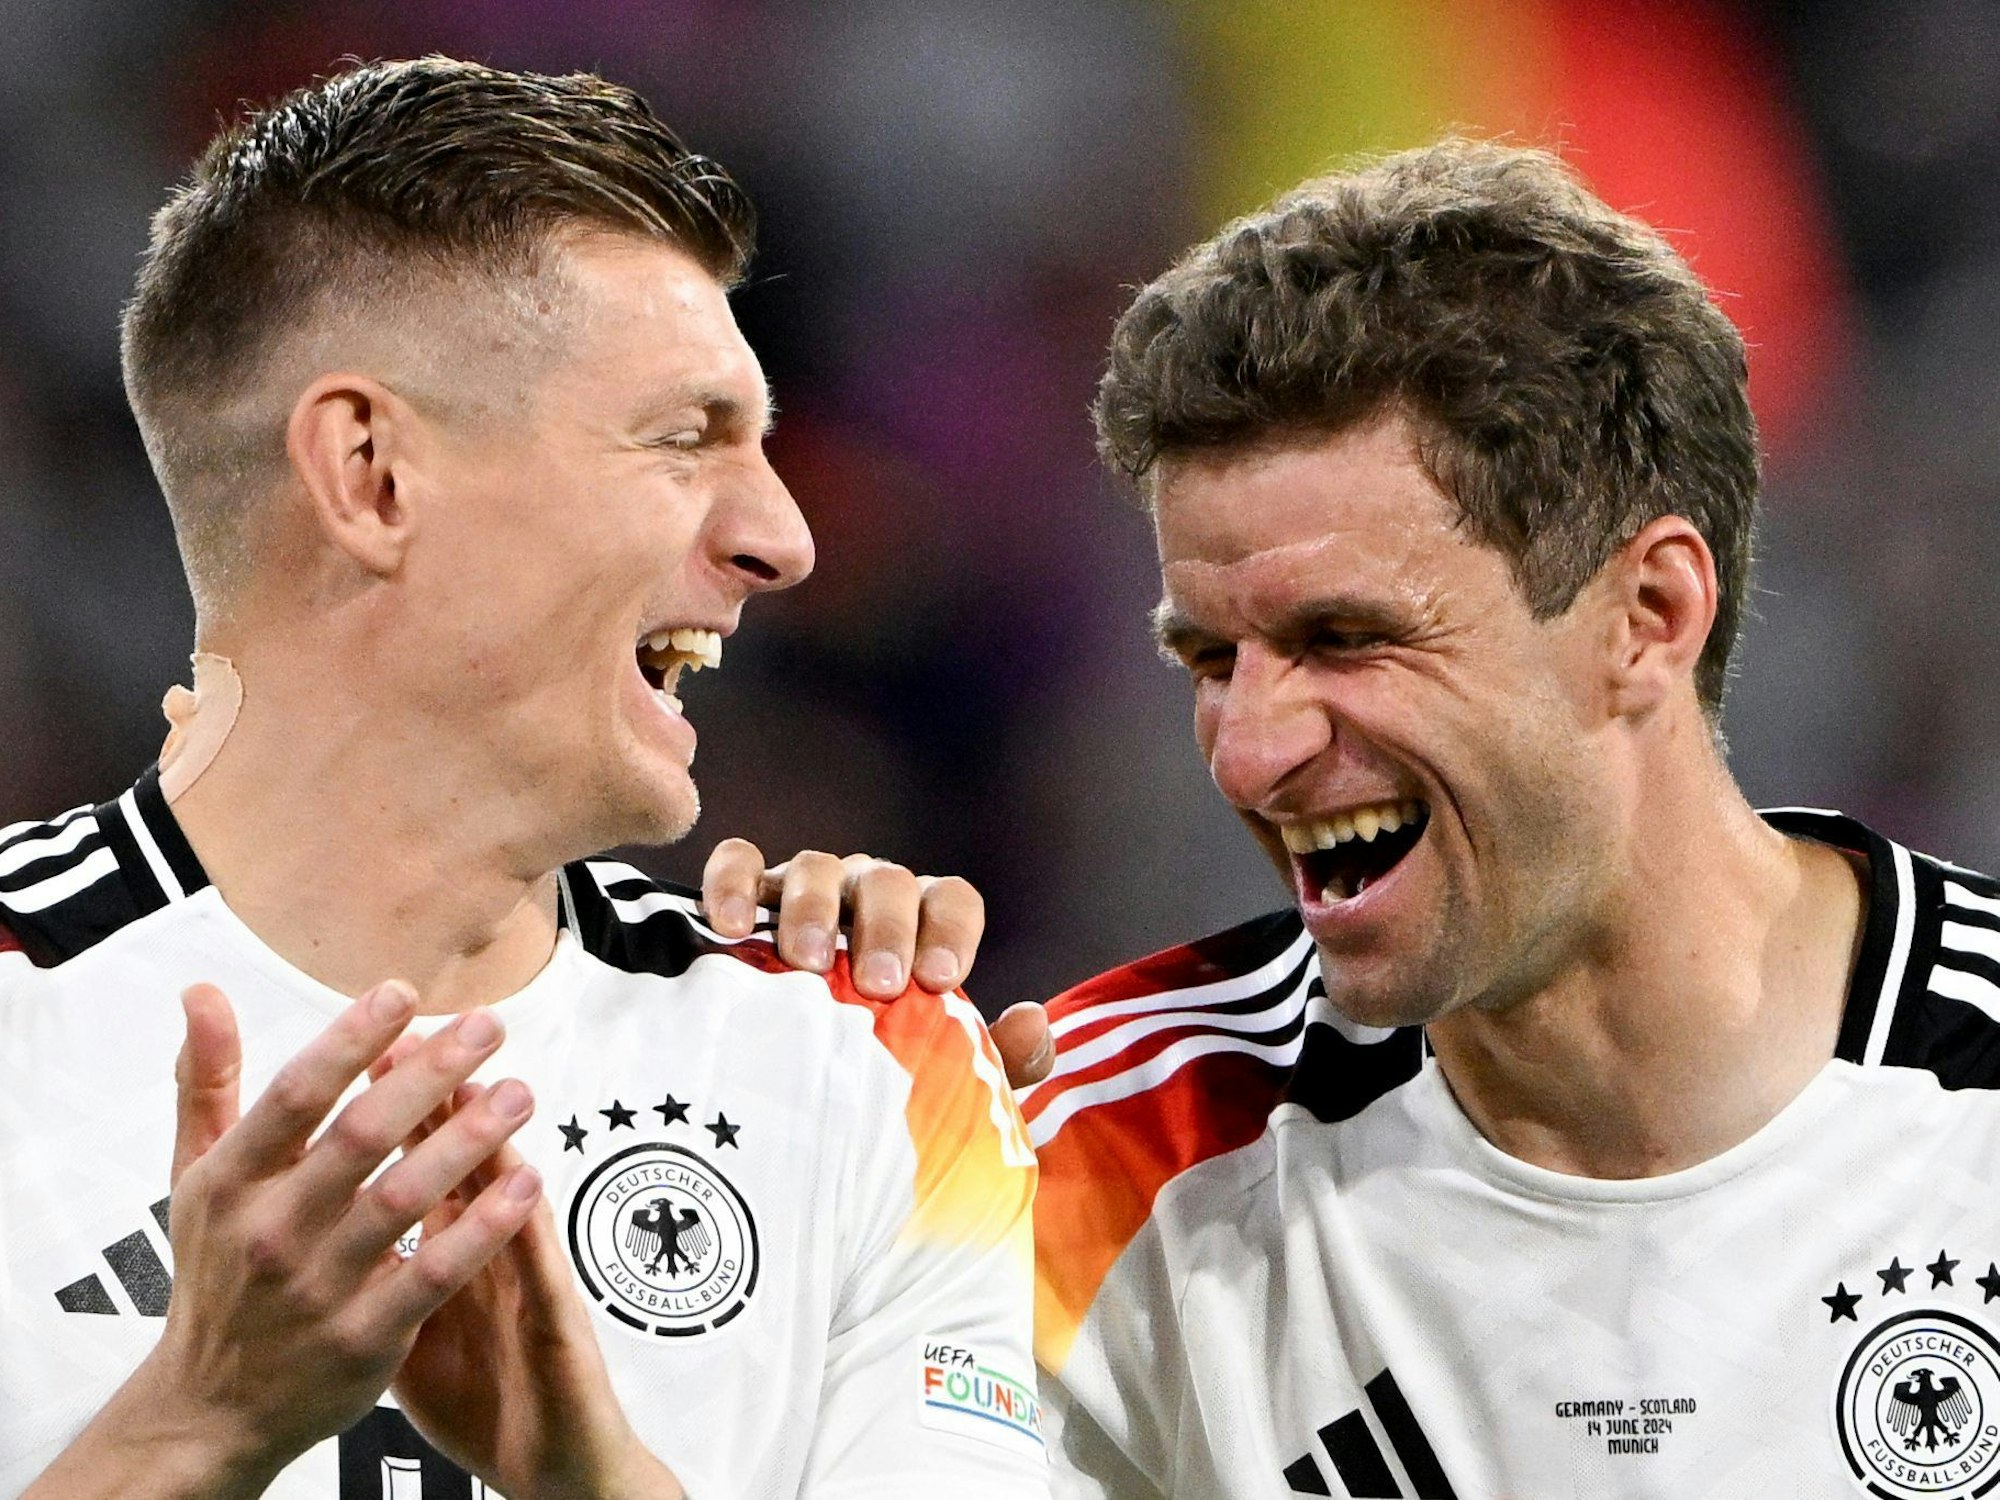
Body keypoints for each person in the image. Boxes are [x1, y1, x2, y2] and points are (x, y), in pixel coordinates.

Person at [0, 58, 1044, 1499]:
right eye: (685, 438)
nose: (784, 538)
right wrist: (199, 1426)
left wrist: (593, 1481)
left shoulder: (875, 1070)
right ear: (370, 476)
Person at [1013, 140, 2000, 1498]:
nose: (1249, 753)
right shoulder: (1096, 1152)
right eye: (1211, 662)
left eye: (1346, 638)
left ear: (1648, 617)